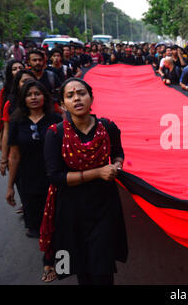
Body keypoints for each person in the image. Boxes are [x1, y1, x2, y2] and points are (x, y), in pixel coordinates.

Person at [42, 78, 128, 285]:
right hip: (71, 207)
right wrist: (98, 172)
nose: (77, 98)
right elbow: (56, 177)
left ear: (91, 98)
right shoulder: (55, 133)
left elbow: (118, 154)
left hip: (104, 204)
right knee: (82, 267)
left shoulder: (107, 127)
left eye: (81, 93)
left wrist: (116, 166)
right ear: (63, 105)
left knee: (102, 267)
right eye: (70, 96)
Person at [5, 80, 62, 282]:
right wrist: (10, 186)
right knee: (38, 224)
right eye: (29, 94)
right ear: (24, 99)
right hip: (28, 181)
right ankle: (50, 255)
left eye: (38, 93)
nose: (34, 97)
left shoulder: (55, 119)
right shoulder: (17, 122)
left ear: (44, 96)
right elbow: (14, 156)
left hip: (55, 178)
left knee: (57, 222)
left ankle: (51, 263)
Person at [0, 70, 37, 177]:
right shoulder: (10, 105)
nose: (27, 83)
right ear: (18, 84)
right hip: (20, 157)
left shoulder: (46, 102)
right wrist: (3, 159)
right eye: (24, 81)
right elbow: (7, 133)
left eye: (31, 80)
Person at [0, 60, 24, 151]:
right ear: (10, 72)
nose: (18, 70)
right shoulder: (5, 91)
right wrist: (0, 136)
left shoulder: (31, 89)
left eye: (20, 68)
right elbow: (1, 115)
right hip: (10, 129)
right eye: (14, 69)